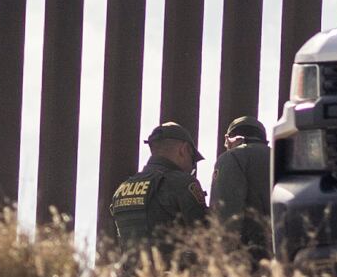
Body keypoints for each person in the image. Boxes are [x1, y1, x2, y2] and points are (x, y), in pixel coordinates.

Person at [102, 120, 210, 268]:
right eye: (193, 159)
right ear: (184, 150)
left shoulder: (122, 189)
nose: (192, 166)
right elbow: (204, 236)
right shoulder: (182, 183)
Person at [209, 115, 274, 264]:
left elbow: (225, 210)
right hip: (282, 249)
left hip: (250, 253)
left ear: (233, 139)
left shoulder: (232, 157)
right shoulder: (280, 156)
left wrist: (222, 256)